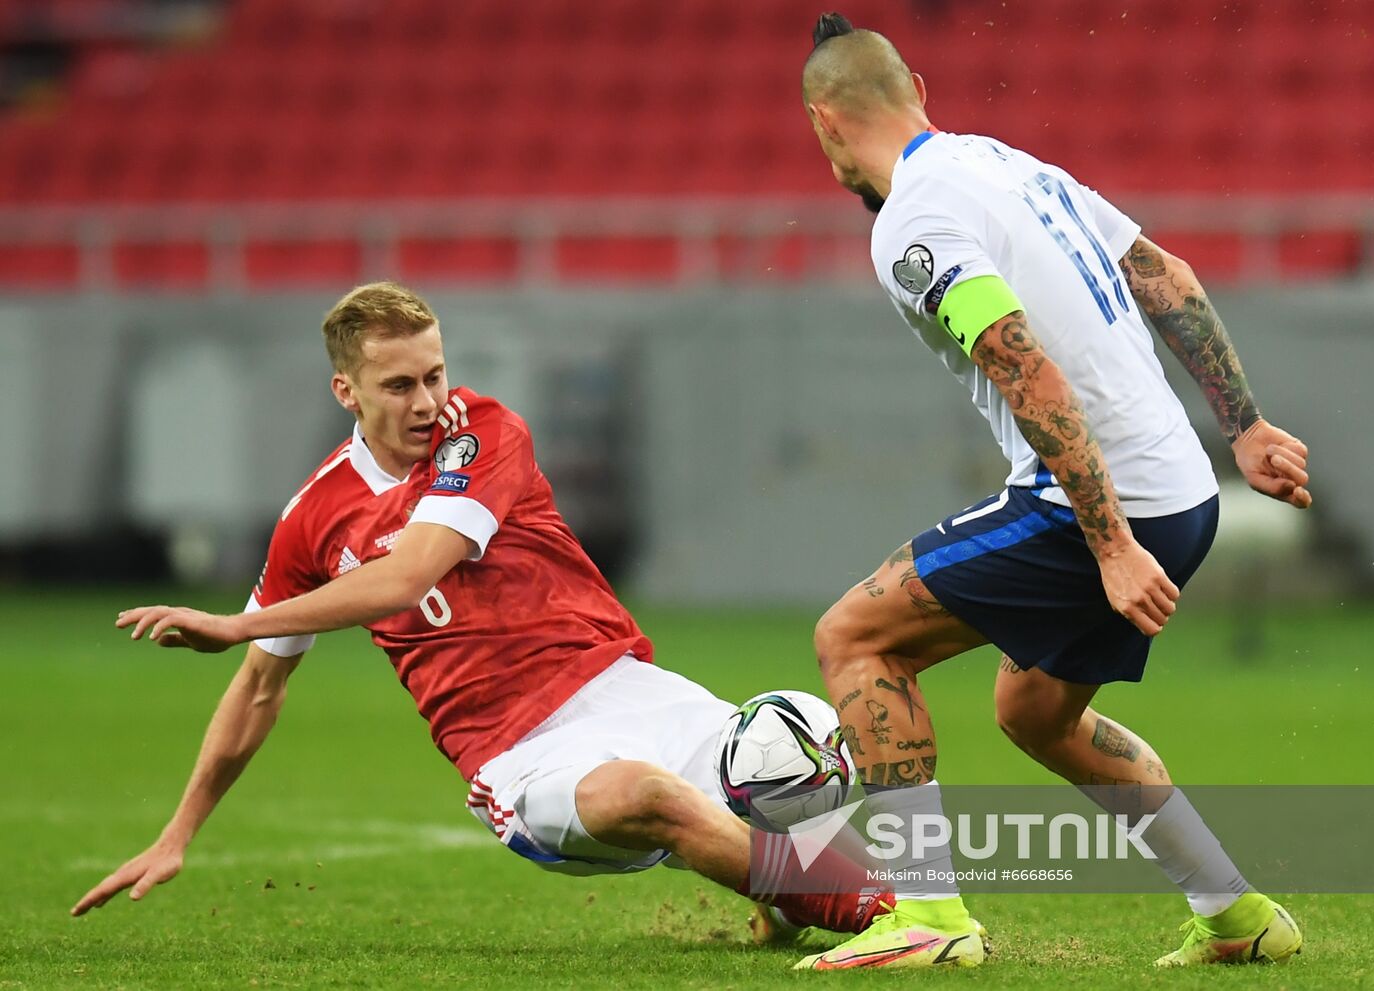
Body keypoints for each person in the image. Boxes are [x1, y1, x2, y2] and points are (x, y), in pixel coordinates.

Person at [69, 282, 895, 953]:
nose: (429, 399)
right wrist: (178, 832)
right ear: (345, 391)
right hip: (519, 753)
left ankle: (790, 905)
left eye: (434, 373)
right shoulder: (313, 517)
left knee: (805, 738)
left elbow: (410, 572)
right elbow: (258, 690)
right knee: (648, 795)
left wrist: (235, 621)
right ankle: (881, 912)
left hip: (623, 687)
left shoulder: (483, 433)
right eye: (400, 384)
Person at [794, 12, 1312, 970]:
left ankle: (931, 920)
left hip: (1100, 503)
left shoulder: (912, 218)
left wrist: (1109, 542)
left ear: (826, 122)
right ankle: (1237, 917)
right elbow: (1162, 273)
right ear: (917, 89)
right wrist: (1244, 425)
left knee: (856, 639)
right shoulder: (1007, 162)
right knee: (1035, 714)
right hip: (1183, 487)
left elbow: (1022, 366)